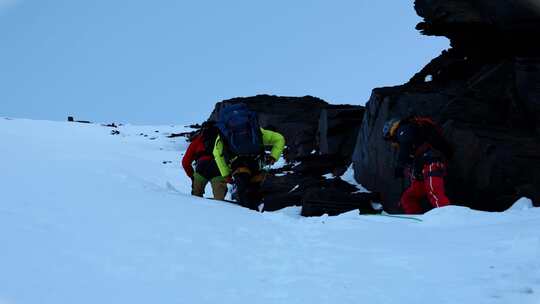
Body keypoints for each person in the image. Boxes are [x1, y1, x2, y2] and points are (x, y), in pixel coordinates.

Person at [213, 104, 285, 211]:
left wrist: (226, 174)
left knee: (244, 190)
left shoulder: (224, 135)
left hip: (238, 165)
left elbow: (217, 154)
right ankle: (255, 212)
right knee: (254, 190)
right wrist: (273, 156)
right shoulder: (256, 131)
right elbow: (279, 139)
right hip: (256, 163)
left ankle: (246, 214)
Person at [382, 116, 453, 214]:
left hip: (431, 162)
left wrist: (400, 166)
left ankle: (448, 218)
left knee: (435, 192)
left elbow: (405, 145)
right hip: (423, 170)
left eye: (390, 139)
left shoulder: (403, 129)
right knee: (408, 198)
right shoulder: (411, 136)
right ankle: (416, 220)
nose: (392, 142)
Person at [182, 121, 227, 200]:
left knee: (196, 197)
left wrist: (192, 176)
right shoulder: (222, 139)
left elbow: (185, 162)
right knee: (220, 200)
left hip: (201, 168)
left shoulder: (197, 141)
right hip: (218, 168)